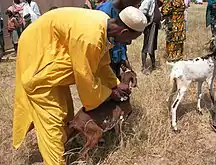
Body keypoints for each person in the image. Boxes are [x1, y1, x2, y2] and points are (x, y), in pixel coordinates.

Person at [13, 6, 147, 165]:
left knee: (65, 113)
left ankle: (59, 151)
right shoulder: (89, 38)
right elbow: (85, 79)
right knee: (53, 119)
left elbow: (101, 65)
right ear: (123, 32)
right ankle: (54, 161)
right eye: (131, 38)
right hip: (38, 58)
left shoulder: (102, 26)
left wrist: (115, 84)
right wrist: (110, 93)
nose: (130, 43)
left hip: (50, 62)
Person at [96, 0, 141, 78]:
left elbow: (122, 42)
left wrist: (126, 67)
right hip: (103, 65)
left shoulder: (124, 12)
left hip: (116, 60)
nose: (135, 7)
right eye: (134, 4)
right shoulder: (103, 13)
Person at [139, 0, 163, 75]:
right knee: (147, 46)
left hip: (154, 25)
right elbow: (142, 11)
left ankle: (153, 65)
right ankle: (143, 67)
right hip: (150, 26)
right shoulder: (147, 0)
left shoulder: (154, 1)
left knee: (152, 46)